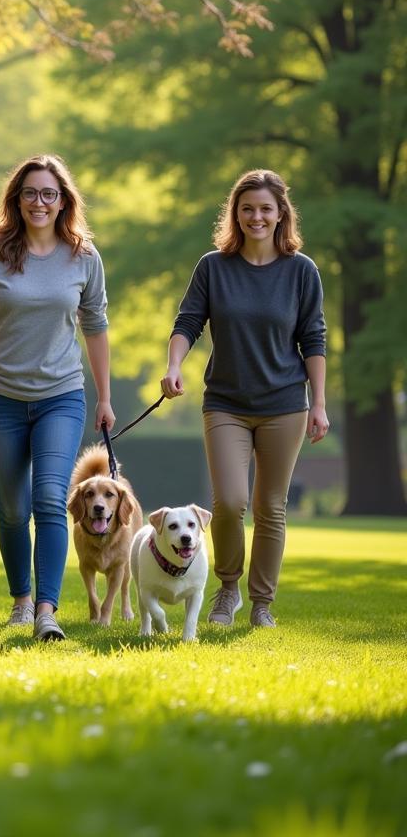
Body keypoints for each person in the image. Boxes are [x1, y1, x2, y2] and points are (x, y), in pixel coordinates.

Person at [0, 154, 114, 642]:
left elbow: (95, 326)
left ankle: (46, 611)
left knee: (51, 500)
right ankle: (21, 600)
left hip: (62, 395)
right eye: (30, 193)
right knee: (14, 509)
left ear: (63, 202)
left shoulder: (83, 256)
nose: (39, 201)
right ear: (17, 199)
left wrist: (105, 397)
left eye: (49, 194)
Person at [161, 168, 328, 628]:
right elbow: (187, 322)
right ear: (235, 213)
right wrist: (174, 366)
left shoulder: (301, 271)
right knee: (229, 503)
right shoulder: (213, 266)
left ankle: (261, 603)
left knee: (270, 507)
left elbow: (314, 338)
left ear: (280, 215)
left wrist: (319, 403)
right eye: (247, 208)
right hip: (226, 403)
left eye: (265, 209)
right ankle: (228, 589)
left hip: (285, 404)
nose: (256, 216)